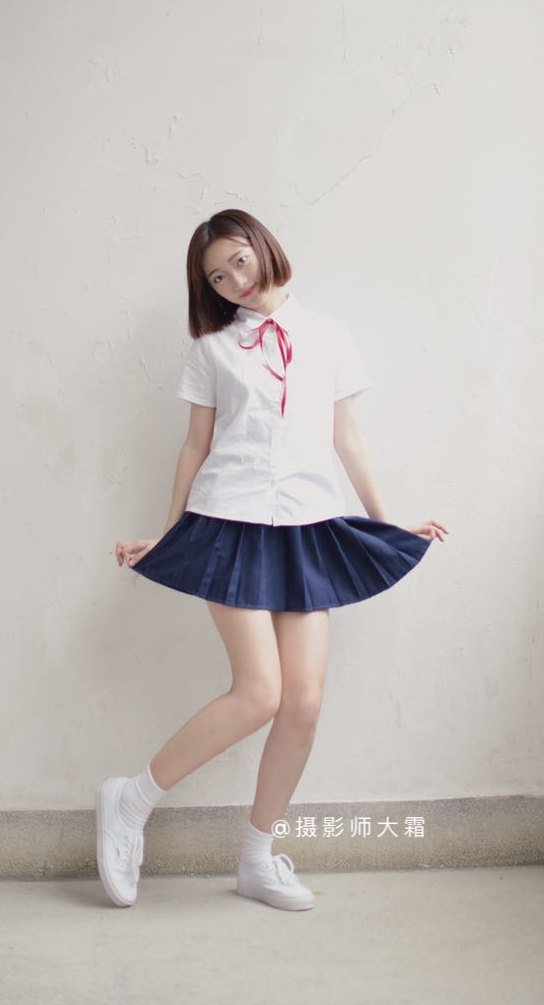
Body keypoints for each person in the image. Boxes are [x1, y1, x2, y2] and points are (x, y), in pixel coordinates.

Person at [97, 208, 448, 913]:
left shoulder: (330, 336)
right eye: (216, 277)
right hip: (228, 522)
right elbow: (195, 446)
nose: (233, 281)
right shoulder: (212, 350)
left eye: (238, 260)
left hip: (306, 526)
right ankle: (130, 801)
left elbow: (349, 439)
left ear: (263, 248)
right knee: (260, 693)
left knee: (304, 703)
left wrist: (386, 524)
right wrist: (170, 535)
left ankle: (257, 860)